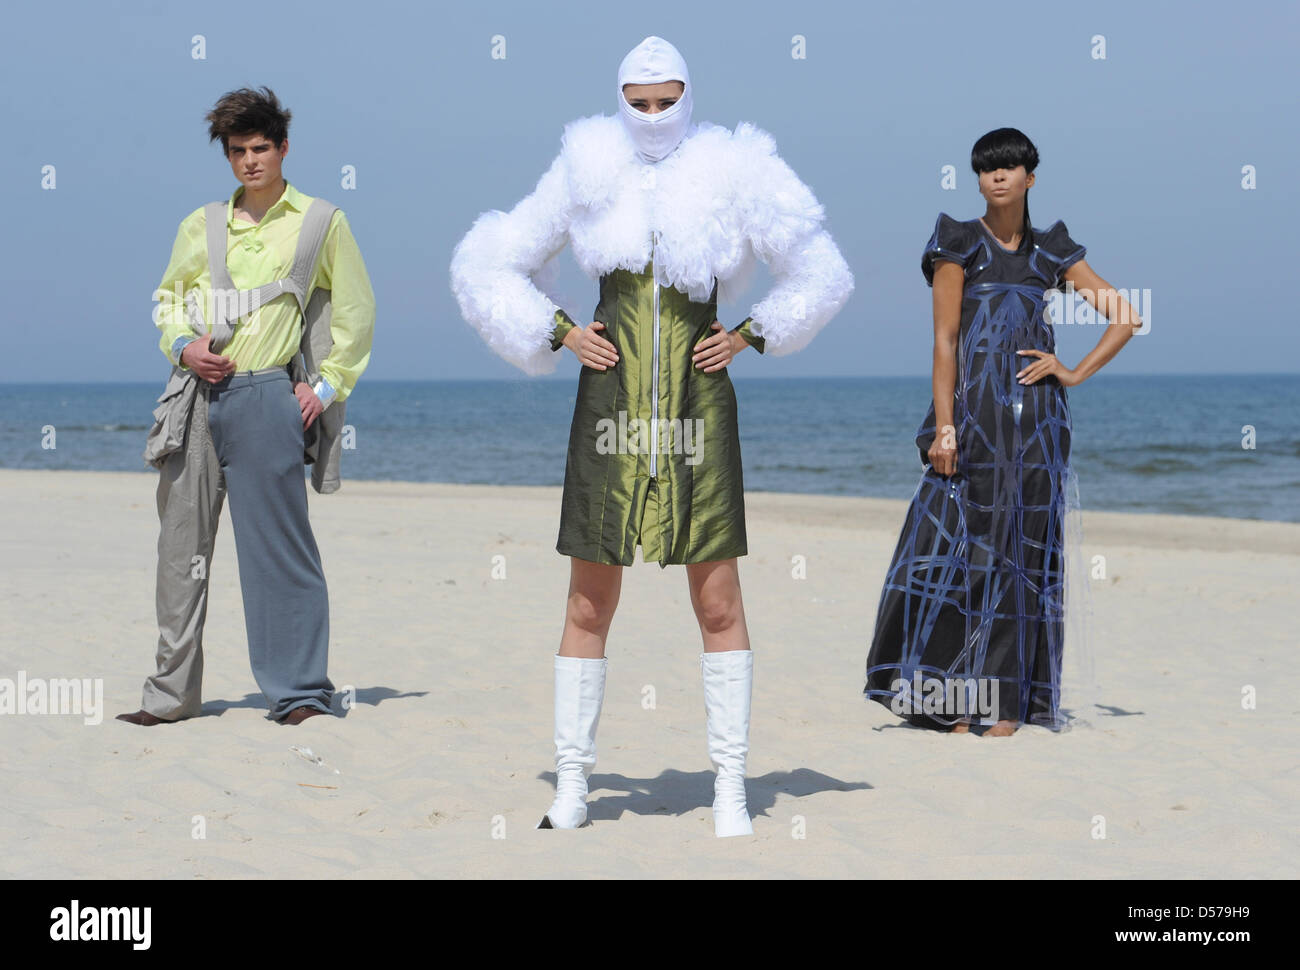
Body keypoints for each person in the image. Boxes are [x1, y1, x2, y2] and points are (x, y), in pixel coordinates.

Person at [450, 37, 853, 835]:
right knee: (589, 598)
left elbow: (822, 270)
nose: (653, 115)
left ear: (689, 95)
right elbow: (488, 263)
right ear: (618, 99)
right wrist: (559, 328)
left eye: (667, 99)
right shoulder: (586, 165)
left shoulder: (732, 167)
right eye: (639, 101)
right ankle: (572, 785)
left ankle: (731, 786)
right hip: (609, 408)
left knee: (718, 596)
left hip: (701, 406)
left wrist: (752, 333)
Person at [863, 127, 1141, 735]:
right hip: (971, 421)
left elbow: (1125, 316)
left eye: (1009, 167)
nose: (996, 176)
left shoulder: (1050, 251)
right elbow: (943, 341)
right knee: (950, 553)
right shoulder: (957, 242)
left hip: (1039, 427)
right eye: (986, 168)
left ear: (1029, 178)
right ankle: (947, 701)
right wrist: (944, 427)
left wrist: (1071, 373)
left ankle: (1008, 705)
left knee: (1023, 560)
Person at [118, 86, 376, 726]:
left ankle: (298, 694)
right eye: (239, 151)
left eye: (262, 148)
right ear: (228, 156)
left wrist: (322, 389)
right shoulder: (200, 224)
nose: (251, 161)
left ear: (284, 148)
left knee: (279, 553)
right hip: (195, 401)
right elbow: (168, 300)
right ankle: (171, 699)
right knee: (181, 552)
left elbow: (356, 315)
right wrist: (182, 347)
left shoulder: (322, 221)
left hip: (269, 398)